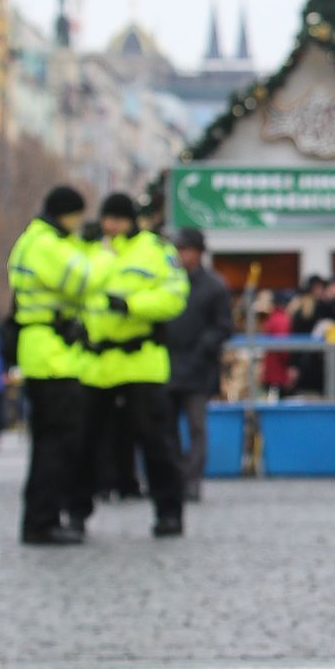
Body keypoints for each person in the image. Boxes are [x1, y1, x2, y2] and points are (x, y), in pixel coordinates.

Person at [73, 192, 189, 539]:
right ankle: (76, 512)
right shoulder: (89, 250)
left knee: (157, 444)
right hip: (98, 362)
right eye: (108, 219)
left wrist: (130, 305)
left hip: (142, 362)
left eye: (119, 220)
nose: (112, 226)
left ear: (132, 221)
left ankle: (169, 512)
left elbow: (173, 295)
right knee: (85, 442)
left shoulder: (155, 250)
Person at [7, 185, 96, 545]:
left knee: (50, 441)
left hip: (45, 351)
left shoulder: (37, 240)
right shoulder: (46, 244)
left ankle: (42, 518)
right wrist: (99, 254)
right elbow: (84, 279)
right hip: (51, 356)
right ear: (68, 214)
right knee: (57, 442)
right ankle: (42, 522)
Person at [164, 228, 234, 498]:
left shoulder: (214, 286)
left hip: (198, 369)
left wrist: (202, 348)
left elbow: (223, 327)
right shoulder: (169, 282)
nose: (181, 255)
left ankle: (191, 480)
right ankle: (172, 479)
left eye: (185, 250)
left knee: (196, 427)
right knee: (167, 429)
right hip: (169, 365)